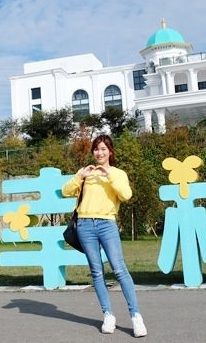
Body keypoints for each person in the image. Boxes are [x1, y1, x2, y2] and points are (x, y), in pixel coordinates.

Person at [62, 134, 147, 338]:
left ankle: (136, 316)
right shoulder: (87, 173)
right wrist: (79, 176)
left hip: (106, 224)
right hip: (84, 225)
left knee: (119, 269)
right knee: (97, 272)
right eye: (96, 149)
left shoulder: (118, 173)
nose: (99, 153)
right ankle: (108, 315)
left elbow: (126, 195)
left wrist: (108, 174)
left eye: (103, 149)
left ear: (110, 152)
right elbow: (66, 191)